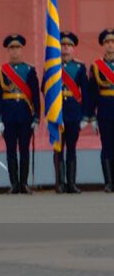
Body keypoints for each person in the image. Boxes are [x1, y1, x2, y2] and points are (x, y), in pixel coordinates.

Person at [0, 34, 39, 194]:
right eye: (12, 48)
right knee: (11, 150)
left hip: (25, 115)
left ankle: (24, 183)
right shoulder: (1, 71)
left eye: (17, 47)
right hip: (8, 116)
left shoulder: (29, 70)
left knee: (25, 150)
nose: (15, 51)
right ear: (8, 50)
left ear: (22, 49)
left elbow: (34, 94)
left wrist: (37, 117)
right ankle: (14, 183)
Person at [56, 32, 86, 194]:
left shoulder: (79, 68)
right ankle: (60, 183)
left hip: (74, 113)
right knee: (58, 149)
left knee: (72, 148)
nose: (65, 48)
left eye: (68, 45)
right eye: (62, 45)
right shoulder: (52, 66)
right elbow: (44, 89)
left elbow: (86, 92)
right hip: (57, 112)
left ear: (73, 49)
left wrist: (85, 115)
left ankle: (71, 183)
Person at [88, 28, 114, 192]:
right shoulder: (97, 67)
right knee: (107, 147)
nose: (110, 45)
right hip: (105, 112)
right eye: (107, 43)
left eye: (112, 42)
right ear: (103, 45)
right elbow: (92, 94)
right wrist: (91, 116)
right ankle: (109, 182)